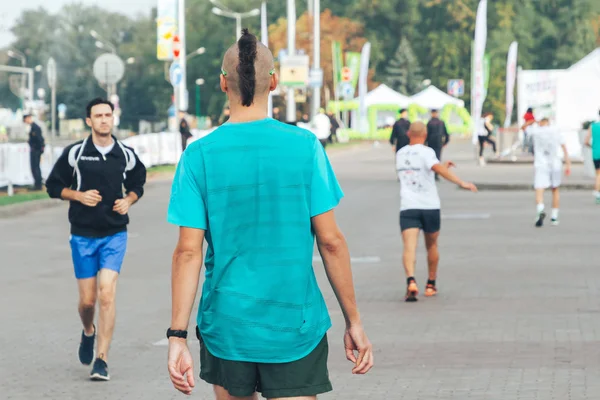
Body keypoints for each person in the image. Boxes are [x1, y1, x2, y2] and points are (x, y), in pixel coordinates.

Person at [166, 29, 373, 399]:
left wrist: (177, 336)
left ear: (222, 83)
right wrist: (353, 321)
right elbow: (331, 242)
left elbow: (188, 252)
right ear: (274, 82)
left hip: (227, 324)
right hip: (296, 321)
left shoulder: (198, 156)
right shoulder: (305, 147)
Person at [45, 98, 147, 381]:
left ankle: (101, 360)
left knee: (106, 294)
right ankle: (88, 331)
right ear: (88, 121)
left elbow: (139, 180)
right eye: (98, 116)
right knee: (88, 302)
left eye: (107, 115)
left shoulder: (124, 154)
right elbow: (53, 186)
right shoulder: (76, 153)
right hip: (82, 235)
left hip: (115, 234)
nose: (104, 120)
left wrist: (129, 199)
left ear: (113, 118)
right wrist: (78, 196)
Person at [396, 122, 477, 302]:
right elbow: (435, 169)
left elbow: (420, 171)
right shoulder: (427, 152)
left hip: (408, 206)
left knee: (409, 247)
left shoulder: (400, 154)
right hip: (429, 206)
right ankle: (431, 284)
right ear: (425, 134)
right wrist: (461, 182)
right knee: (431, 245)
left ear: (409, 134)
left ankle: (411, 281)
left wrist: (440, 166)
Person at [528, 118, 571, 227]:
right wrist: (568, 163)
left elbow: (523, 128)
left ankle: (540, 209)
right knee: (555, 189)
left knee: (539, 188)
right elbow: (564, 146)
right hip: (555, 164)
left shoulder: (536, 131)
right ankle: (554, 216)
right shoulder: (555, 130)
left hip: (541, 164)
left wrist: (531, 121)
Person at [426, 109, 450, 180]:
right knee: (437, 158)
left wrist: (425, 143)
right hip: (439, 142)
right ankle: (436, 173)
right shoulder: (441, 122)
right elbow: (446, 133)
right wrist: (445, 142)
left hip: (431, 142)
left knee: (431, 158)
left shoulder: (429, 123)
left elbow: (426, 134)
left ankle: (433, 173)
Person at [24, 114, 45, 190]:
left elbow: (39, 139)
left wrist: (39, 149)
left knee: (35, 167)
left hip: (35, 150)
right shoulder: (33, 127)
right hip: (35, 149)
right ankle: (37, 184)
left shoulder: (35, 127)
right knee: (35, 167)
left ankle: (38, 185)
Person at [584, 110, 600, 204]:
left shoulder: (593, 126)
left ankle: (597, 193)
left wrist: (593, 146)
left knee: (598, 174)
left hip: (596, 153)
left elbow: (586, 141)